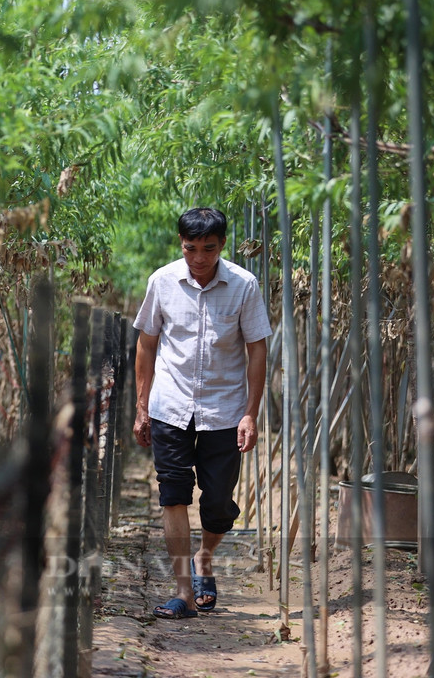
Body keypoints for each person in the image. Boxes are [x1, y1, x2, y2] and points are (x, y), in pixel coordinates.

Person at [131, 207, 271, 620]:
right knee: (172, 491)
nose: (198, 258)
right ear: (181, 244)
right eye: (190, 248)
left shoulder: (244, 285)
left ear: (222, 244)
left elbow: (257, 348)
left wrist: (250, 413)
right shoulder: (162, 281)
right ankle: (183, 592)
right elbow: (146, 343)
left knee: (219, 503)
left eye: (208, 249)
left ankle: (204, 558)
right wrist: (142, 406)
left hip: (224, 409)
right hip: (170, 405)